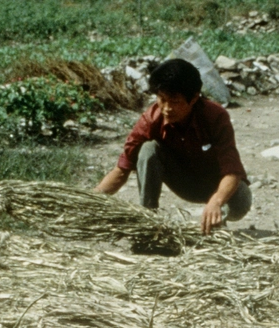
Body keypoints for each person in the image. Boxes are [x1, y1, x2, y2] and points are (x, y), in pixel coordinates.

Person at [94, 59, 252, 235]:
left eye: (175, 101)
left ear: (193, 98)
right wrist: (92, 198)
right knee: (148, 149)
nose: (167, 108)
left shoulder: (215, 117)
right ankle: (148, 222)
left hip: (218, 185)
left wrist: (216, 201)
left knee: (239, 202)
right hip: (184, 183)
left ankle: (215, 222)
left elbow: (232, 170)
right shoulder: (151, 120)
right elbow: (122, 170)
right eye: (162, 100)